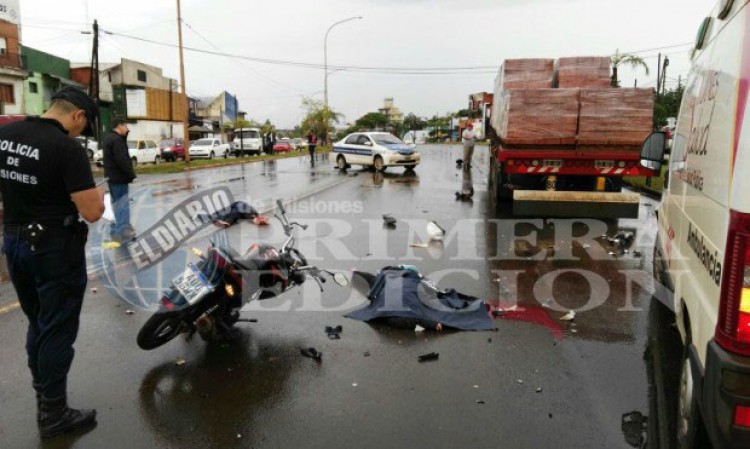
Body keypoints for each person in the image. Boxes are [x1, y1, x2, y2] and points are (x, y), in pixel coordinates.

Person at [0, 86, 104, 438]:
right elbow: (92, 212)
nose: (79, 133)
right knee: (57, 327)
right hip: (53, 248)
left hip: (15, 240)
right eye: (83, 126)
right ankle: (54, 414)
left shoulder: (6, 134)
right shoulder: (65, 148)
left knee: (38, 323)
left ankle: (43, 396)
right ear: (77, 115)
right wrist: (98, 194)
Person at [102, 119, 136, 243]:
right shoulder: (117, 140)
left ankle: (116, 231)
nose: (127, 129)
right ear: (119, 126)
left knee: (116, 205)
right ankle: (122, 233)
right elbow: (122, 160)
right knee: (122, 206)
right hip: (119, 178)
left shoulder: (108, 138)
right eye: (125, 126)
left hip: (111, 177)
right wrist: (131, 174)